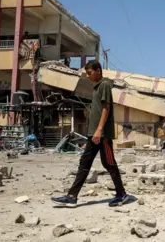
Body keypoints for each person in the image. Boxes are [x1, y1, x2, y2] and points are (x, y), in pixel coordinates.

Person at [52, 60, 128, 208]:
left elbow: (106, 108)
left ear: (98, 70)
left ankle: (121, 194)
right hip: (93, 134)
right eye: (87, 73)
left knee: (109, 163)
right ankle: (72, 196)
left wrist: (99, 130)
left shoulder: (104, 85)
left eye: (90, 73)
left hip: (102, 134)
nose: (88, 76)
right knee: (84, 163)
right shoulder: (96, 88)